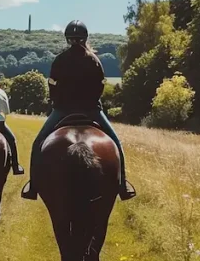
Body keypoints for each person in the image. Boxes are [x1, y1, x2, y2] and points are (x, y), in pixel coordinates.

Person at [21, 20, 135, 201]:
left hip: (62, 110)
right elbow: (100, 86)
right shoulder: (94, 60)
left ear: (67, 39)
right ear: (85, 38)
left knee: (38, 143)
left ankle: (33, 186)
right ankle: (123, 185)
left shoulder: (59, 60)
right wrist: (92, 101)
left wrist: (56, 102)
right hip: (91, 110)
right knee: (116, 143)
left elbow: (52, 86)